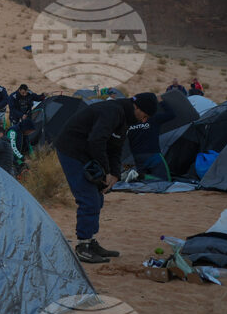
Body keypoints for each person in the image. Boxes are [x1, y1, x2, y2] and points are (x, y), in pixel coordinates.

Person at [54, 92, 157, 264]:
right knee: (88, 199)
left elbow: (115, 149)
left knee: (98, 197)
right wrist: (105, 170)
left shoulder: (125, 119)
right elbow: (96, 140)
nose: (144, 121)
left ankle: (90, 241)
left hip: (87, 153)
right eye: (145, 115)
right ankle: (83, 247)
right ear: (137, 107)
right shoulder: (113, 111)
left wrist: (115, 174)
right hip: (71, 150)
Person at [126, 98, 176, 179]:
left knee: (144, 183)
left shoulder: (128, 123)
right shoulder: (153, 118)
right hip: (153, 154)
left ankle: (139, 176)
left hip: (137, 156)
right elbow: (171, 114)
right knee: (165, 180)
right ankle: (140, 176)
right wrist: (161, 101)